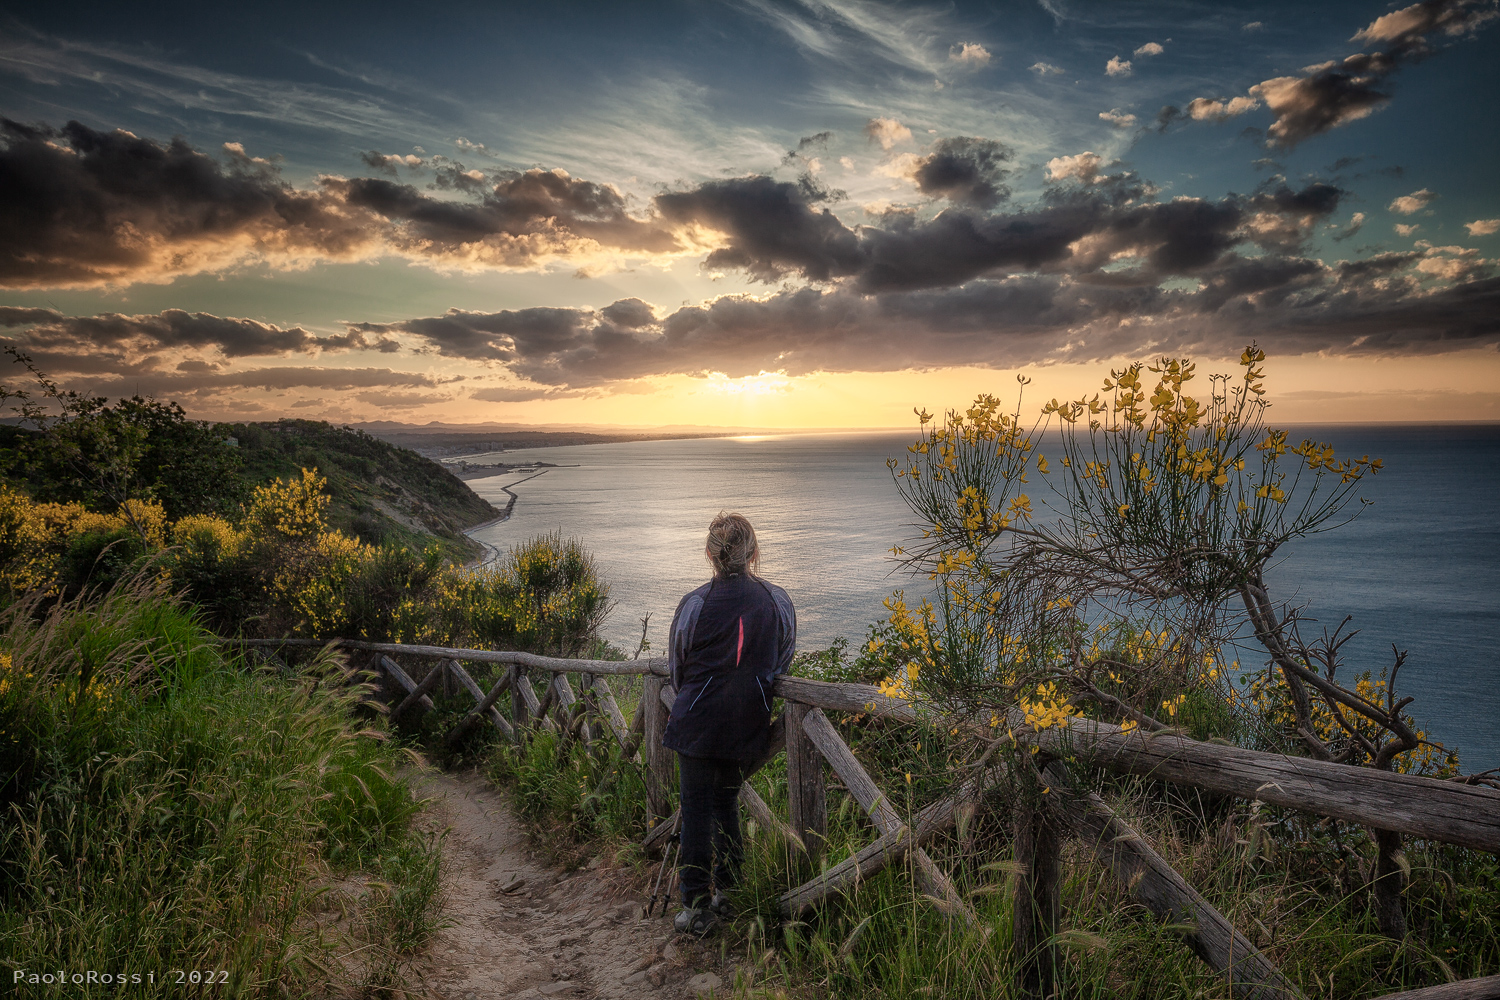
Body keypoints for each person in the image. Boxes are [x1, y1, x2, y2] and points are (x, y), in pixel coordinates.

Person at [661, 512, 795, 936]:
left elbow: (677, 668)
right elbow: (782, 660)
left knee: (698, 810)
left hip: (697, 722)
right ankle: (731, 892)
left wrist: (699, 696)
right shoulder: (778, 601)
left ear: (709, 554)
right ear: (754, 553)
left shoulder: (694, 604)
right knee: (726, 802)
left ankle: (696, 907)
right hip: (747, 721)